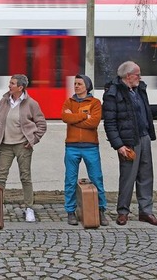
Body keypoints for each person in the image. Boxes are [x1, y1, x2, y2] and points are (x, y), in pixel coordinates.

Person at [102, 61, 157, 226]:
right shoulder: (113, 93)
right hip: (128, 142)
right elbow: (109, 123)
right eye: (138, 75)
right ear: (128, 76)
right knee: (128, 177)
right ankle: (123, 212)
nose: (140, 78)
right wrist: (118, 145)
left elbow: (143, 111)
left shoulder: (139, 89)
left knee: (146, 176)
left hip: (144, 137)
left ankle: (146, 212)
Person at [0, 74, 47, 223]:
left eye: (12, 83)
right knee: (1, 177)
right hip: (5, 145)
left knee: (25, 177)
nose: (9, 85)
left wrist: (34, 139)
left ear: (20, 87)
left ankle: (29, 208)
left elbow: (42, 124)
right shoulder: (4, 101)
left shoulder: (31, 104)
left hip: (23, 145)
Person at [61, 75, 109, 226]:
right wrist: (83, 115)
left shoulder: (95, 103)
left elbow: (93, 122)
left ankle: (101, 210)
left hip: (90, 146)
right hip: (72, 146)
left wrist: (74, 118)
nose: (76, 86)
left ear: (87, 86)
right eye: (75, 84)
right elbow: (64, 117)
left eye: (79, 84)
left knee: (97, 179)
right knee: (70, 180)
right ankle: (70, 211)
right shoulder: (69, 101)